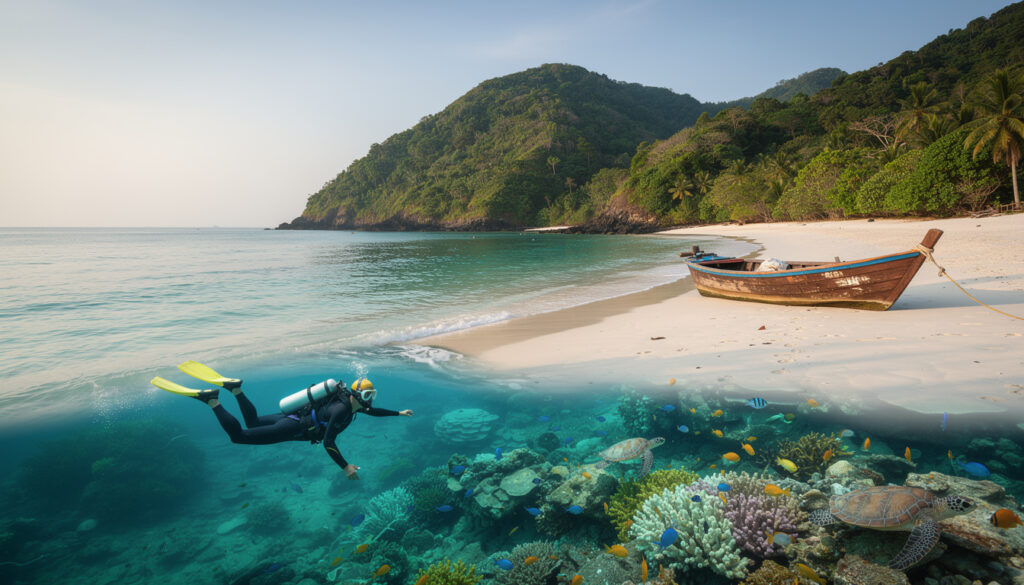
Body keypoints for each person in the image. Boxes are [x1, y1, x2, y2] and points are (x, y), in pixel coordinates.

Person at [151, 362, 412, 480]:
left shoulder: (351, 403)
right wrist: (345, 467)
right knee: (238, 436)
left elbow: (373, 412)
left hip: (293, 415)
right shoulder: (342, 410)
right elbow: (328, 442)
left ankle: (236, 389)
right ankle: (212, 400)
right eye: (368, 395)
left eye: (372, 395)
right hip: (295, 426)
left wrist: (398, 413)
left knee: (252, 422)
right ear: (357, 394)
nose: (371, 400)